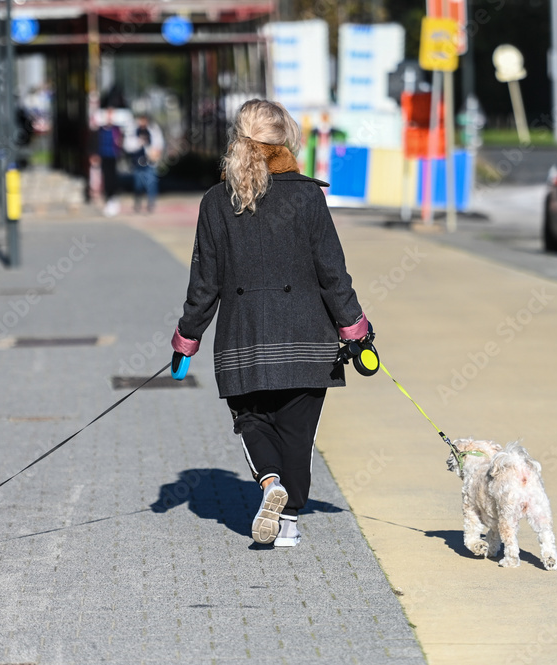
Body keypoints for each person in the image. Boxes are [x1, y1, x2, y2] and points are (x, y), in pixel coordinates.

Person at [169, 99, 370, 548]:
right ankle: (290, 522)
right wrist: (355, 331)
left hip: (243, 341)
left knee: (252, 420)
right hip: (307, 341)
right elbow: (332, 272)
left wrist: (186, 339)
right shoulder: (307, 196)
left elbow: (205, 282)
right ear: (285, 141)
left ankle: (270, 485)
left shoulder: (216, 202)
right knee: (298, 435)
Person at [122, 113, 164, 213]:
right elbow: (127, 146)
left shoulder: (153, 130)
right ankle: (138, 202)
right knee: (138, 185)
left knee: (151, 184)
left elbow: (159, 144)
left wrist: (155, 152)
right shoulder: (133, 131)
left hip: (150, 162)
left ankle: (151, 203)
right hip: (137, 162)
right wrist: (138, 143)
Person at [92, 107, 123, 217]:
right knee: (105, 177)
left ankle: (113, 198)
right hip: (103, 155)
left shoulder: (117, 129)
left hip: (113, 155)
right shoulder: (100, 129)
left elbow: (120, 142)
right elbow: (95, 141)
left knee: (113, 177)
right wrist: (95, 154)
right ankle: (108, 198)